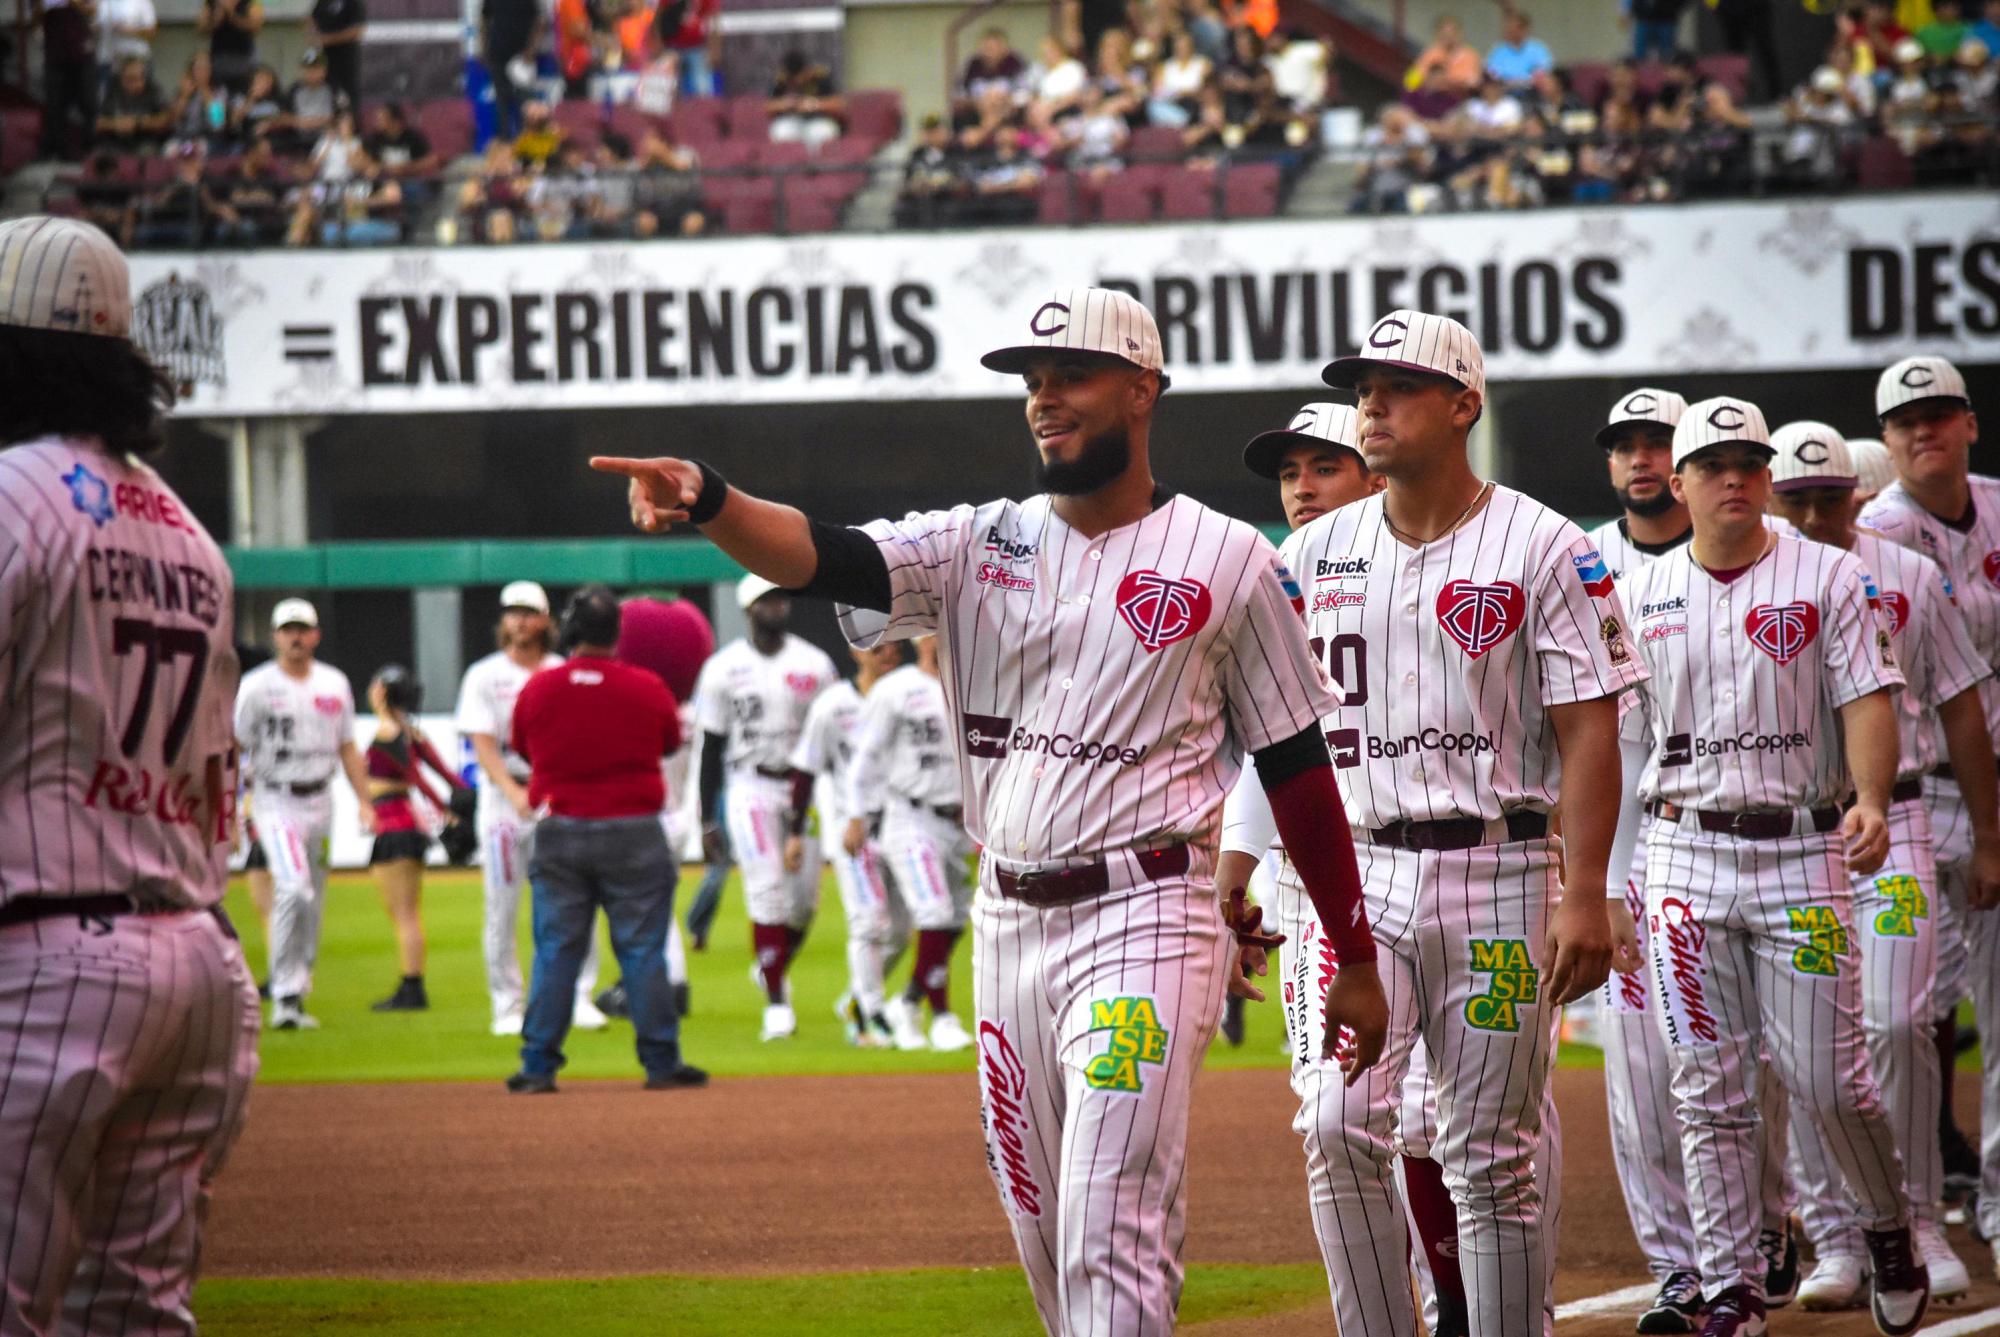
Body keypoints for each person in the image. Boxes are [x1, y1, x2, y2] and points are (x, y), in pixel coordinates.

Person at [591, 285, 1389, 1333]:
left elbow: (1292, 762)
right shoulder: (976, 540)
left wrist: (1353, 950)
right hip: (1005, 918)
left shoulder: (1231, 559)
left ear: (1141, 388)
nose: (1042, 398)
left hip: (1144, 907)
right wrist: (711, 497)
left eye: (1068, 375)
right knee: (1041, 1230)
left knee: (1109, 1220)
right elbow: (824, 552)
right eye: (1030, 380)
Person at [1267, 312, 1631, 1337]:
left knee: (1488, 1149)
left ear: (1463, 404)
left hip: (1499, 871)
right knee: (1336, 1122)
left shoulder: (1543, 542)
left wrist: (1585, 890)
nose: (1369, 404)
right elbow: (1270, 721)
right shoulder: (1312, 548)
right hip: (1355, 870)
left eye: (1397, 386)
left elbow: (1588, 725)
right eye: (1362, 387)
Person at [1619, 395, 1932, 1337]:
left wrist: (1871, 798)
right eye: (1713, 465)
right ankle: (1733, 1287)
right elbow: (1623, 736)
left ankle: (1888, 1226)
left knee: (1832, 1083)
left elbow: (1868, 697)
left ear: (1766, 478)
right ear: (1679, 484)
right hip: (1680, 846)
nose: (1734, 478)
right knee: (1704, 1086)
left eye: (1748, 463)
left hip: (1802, 848)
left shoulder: (1831, 578)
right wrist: (1604, 877)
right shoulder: (1640, 592)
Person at [0, 215, 258, 1334]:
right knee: (137, 1315)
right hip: (194, 960)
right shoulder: (185, 528)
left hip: (45, 957)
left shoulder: (14, 492)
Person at [1220, 403, 1503, 1335]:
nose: (1301, 485)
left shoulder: (1468, 564)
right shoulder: (1276, 575)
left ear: (1376, 470)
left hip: (1477, 867)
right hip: (1332, 889)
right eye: (1289, 469)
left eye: (1324, 464)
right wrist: (1238, 864)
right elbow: (1274, 752)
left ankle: (1466, 1301)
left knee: (1465, 1131)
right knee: (1343, 1120)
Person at [1584, 386, 1798, 1331]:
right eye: (1622, 445)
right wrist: (1597, 876)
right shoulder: (1585, 560)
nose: (1637, 460)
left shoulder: (1770, 553)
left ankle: (1766, 1220)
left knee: (1756, 1060)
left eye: (1654, 442)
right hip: (1633, 845)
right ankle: (1681, 1264)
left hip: (1753, 839)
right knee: (1639, 1070)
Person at [1766, 420, 1988, 1308]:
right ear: (1774, 495)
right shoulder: (1742, 581)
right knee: (1803, 1048)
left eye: (1831, 495)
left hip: (1897, 825)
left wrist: (1992, 832)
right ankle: (1836, 1237)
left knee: (1897, 1022)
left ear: (1860, 493)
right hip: (1793, 841)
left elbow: (1963, 707)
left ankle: (1920, 1217)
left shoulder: (1908, 576)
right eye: (1799, 497)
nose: (1816, 513)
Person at [1858, 355, 2000, 1280]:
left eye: (1940, 411)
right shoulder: (1871, 535)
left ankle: (1996, 1193)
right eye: (1906, 418)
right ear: (1885, 437)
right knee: (1902, 1015)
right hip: (1912, 795)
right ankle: (1913, 1211)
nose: (1924, 429)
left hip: (1991, 790)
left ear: (1969, 422)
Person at [506, 585, 705, 1094]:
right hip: (634, 832)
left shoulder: (538, 688)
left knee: (556, 951)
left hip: (562, 830)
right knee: (643, 950)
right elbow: (669, 742)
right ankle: (661, 1062)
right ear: (618, 633)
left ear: (569, 630)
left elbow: (524, 748)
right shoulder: (647, 686)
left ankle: (537, 1066)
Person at [455, 580, 606, 1037]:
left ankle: (580, 996)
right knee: (501, 903)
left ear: (545, 620)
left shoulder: (562, 669)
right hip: (505, 799)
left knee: (574, 898)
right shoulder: (484, 675)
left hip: (557, 796)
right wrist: (514, 791)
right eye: (511, 612)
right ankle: (507, 1005)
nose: (519, 620)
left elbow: (582, 736)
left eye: (528, 612)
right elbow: (482, 744)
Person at [691, 576, 837, 1041]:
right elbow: (709, 748)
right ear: (748, 609)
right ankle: (777, 1004)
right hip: (749, 784)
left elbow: (835, 735)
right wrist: (706, 817)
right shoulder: (722, 668)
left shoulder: (814, 664)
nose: (777, 605)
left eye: (780, 597)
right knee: (767, 890)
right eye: (766, 600)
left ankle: (770, 966)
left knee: (803, 905)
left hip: (804, 788)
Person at [235, 596, 374, 1030]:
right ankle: (284, 993)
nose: (295, 636)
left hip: (320, 798)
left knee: (313, 899)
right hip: (275, 797)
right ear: (275, 636)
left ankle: (297, 987)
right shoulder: (256, 686)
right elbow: (233, 747)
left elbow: (348, 745)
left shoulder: (333, 683)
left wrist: (365, 800)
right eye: (287, 629)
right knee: (292, 888)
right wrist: (230, 805)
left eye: (302, 628)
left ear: (316, 634)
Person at [846, 634, 974, 1053]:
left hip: (958, 822)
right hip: (910, 815)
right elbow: (867, 755)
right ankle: (939, 1017)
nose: (938, 638)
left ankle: (908, 1000)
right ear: (920, 639)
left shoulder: (975, 684)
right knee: (933, 913)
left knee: (956, 919)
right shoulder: (896, 689)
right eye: (931, 631)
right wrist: (857, 815)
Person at [786, 641, 907, 1048]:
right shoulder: (833, 704)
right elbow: (805, 769)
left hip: (905, 825)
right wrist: (794, 832)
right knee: (869, 921)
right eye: (877, 647)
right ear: (856, 653)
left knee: (902, 931)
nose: (887, 652)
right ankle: (869, 1014)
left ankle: (857, 996)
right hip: (853, 828)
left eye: (892, 646)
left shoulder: (910, 693)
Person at [362, 663, 472, 1014]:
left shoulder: (388, 731)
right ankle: (410, 983)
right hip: (405, 825)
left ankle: (412, 986)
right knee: (407, 913)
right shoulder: (410, 731)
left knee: (404, 914)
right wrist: (458, 798)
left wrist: (445, 808)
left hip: (394, 824)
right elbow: (441, 772)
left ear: (380, 692)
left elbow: (417, 778)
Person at [480, 0, 542, 143]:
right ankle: (504, 145)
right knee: (501, 102)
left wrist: (531, 49)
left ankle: (528, 145)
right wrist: (483, 47)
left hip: (522, 57)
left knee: (526, 103)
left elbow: (539, 21)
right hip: (497, 53)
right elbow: (484, 20)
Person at [308, 0, 366, 119]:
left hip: (347, 63)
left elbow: (356, 31)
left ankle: (351, 131)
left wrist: (328, 39)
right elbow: (310, 18)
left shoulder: (354, 3)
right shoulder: (323, 2)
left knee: (348, 101)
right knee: (328, 97)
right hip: (326, 63)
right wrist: (313, 35)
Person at [199, 0, 262, 91]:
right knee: (218, 94)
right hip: (218, 58)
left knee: (243, 91)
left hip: (244, 57)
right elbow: (201, 30)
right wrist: (216, 20)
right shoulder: (211, 3)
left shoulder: (250, 3)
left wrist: (231, 14)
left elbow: (256, 28)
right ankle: (216, 106)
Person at [1485, 9, 1554, 89]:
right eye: (1509, 27)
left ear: (1524, 29)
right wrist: (1508, 82)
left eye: (1515, 27)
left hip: (1532, 89)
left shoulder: (1538, 49)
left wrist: (1525, 81)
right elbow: (1492, 73)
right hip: (1505, 89)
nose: (1510, 30)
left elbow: (1543, 70)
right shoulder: (1498, 50)